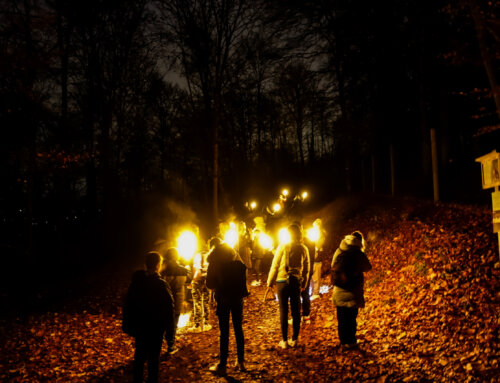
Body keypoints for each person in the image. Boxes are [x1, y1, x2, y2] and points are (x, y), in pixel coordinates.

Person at [122, 251, 174, 383]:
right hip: (156, 328)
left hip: (140, 326)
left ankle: (137, 380)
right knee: (153, 359)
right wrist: (170, 333)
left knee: (139, 356)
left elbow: (129, 303)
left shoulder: (137, 282)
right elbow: (169, 309)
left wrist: (128, 324)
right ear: (158, 265)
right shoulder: (161, 284)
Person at [206, 237, 249, 376]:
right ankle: (241, 361)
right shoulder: (238, 262)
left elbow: (209, 284)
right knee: (238, 328)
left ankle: (223, 364)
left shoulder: (214, 263)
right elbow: (244, 278)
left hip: (223, 299)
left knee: (224, 331)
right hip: (237, 298)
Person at [267, 224, 310, 349]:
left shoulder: (283, 246)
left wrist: (270, 281)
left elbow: (275, 265)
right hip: (295, 281)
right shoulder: (303, 248)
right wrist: (304, 283)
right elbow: (307, 268)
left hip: (281, 281)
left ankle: (284, 340)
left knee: (283, 311)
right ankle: (295, 339)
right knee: (296, 310)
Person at [331, 231, 372, 348]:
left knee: (342, 318)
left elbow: (333, 265)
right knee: (351, 318)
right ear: (360, 241)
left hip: (339, 289)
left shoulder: (339, 250)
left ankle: (343, 342)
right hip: (354, 290)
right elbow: (368, 267)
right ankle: (352, 341)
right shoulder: (358, 253)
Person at [161, 247, 191, 354]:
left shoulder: (162, 270)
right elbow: (189, 280)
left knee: (165, 320)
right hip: (178, 299)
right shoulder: (183, 269)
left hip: (165, 300)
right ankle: (171, 344)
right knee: (174, 322)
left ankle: (165, 339)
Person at [188, 246, 211, 332]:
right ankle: (206, 323)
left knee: (196, 302)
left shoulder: (196, 256)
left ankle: (197, 325)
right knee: (206, 301)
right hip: (207, 280)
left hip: (197, 281)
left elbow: (195, 270)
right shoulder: (209, 255)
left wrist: (193, 280)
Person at [310, 219, 326, 300]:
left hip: (317, 259)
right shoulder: (314, 233)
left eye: (316, 225)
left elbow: (319, 244)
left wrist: (316, 248)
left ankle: (316, 293)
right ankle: (313, 291)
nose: (315, 226)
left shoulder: (321, 234)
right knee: (312, 277)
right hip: (312, 259)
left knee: (316, 276)